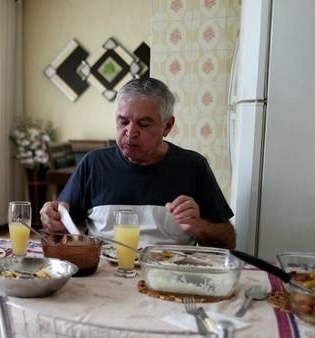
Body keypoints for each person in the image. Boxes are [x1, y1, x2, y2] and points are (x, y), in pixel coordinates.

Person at [40, 77, 235, 249]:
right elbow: (61, 233)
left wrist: (198, 226)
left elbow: (228, 242)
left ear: (167, 126)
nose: (130, 132)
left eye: (144, 124)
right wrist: (52, 220)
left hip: (169, 277)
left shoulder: (193, 166)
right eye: (123, 121)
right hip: (105, 275)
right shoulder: (94, 164)